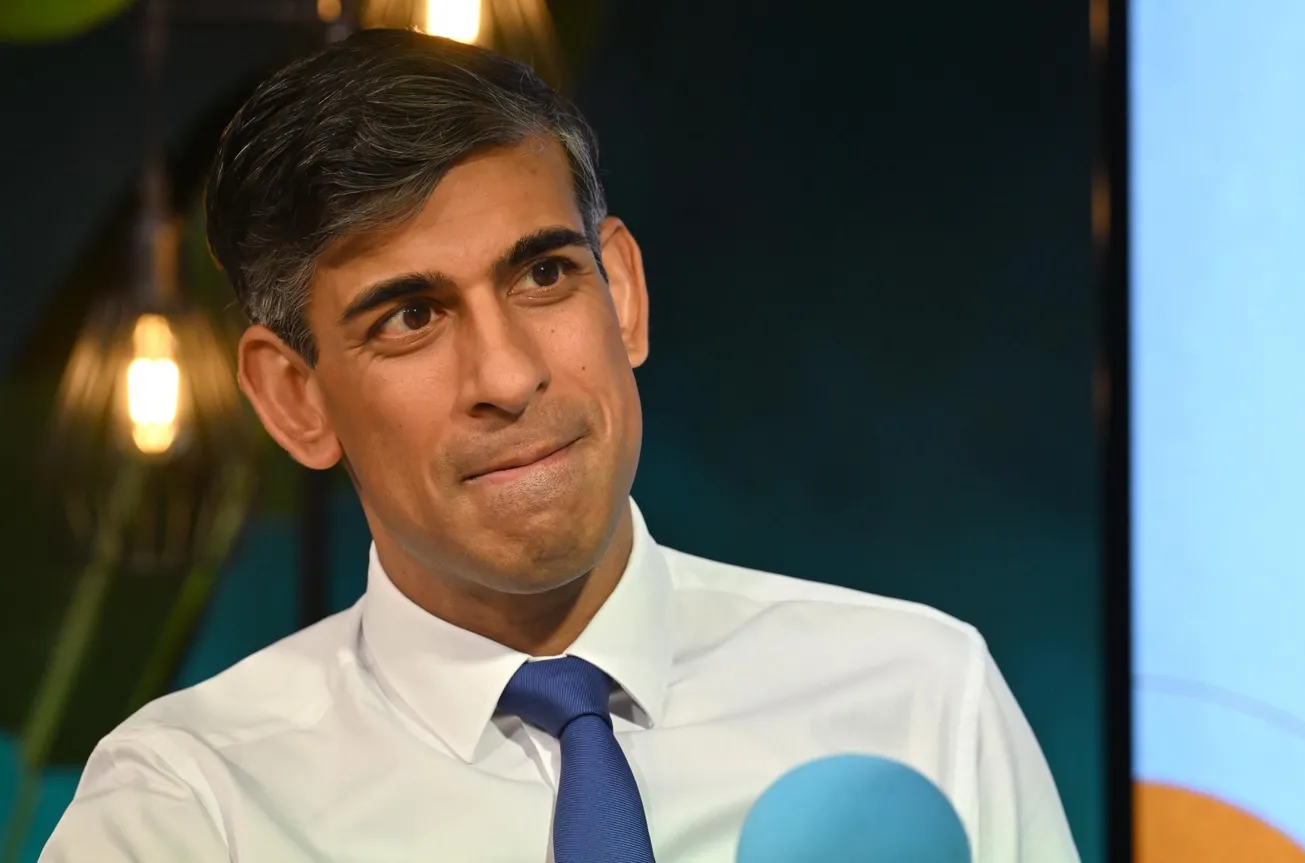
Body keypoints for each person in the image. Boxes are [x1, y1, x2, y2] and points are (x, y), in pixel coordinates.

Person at [41, 28, 1080, 863]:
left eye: (543, 275)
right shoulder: (189, 808)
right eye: (410, 317)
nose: (506, 376)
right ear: (295, 397)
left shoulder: (919, 697)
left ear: (620, 292)